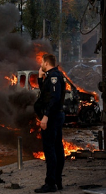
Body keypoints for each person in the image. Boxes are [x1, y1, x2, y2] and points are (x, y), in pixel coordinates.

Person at [34, 53, 66, 193]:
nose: (40, 64)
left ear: (46, 63)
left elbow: (54, 98)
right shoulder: (53, 75)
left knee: (51, 150)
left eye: (42, 62)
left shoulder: (54, 77)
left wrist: (45, 116)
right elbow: (46, 94)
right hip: (56, 116)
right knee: (57, 148)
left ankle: (51, 183)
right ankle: (57, 181)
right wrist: (40, 78)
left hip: (52, 117)